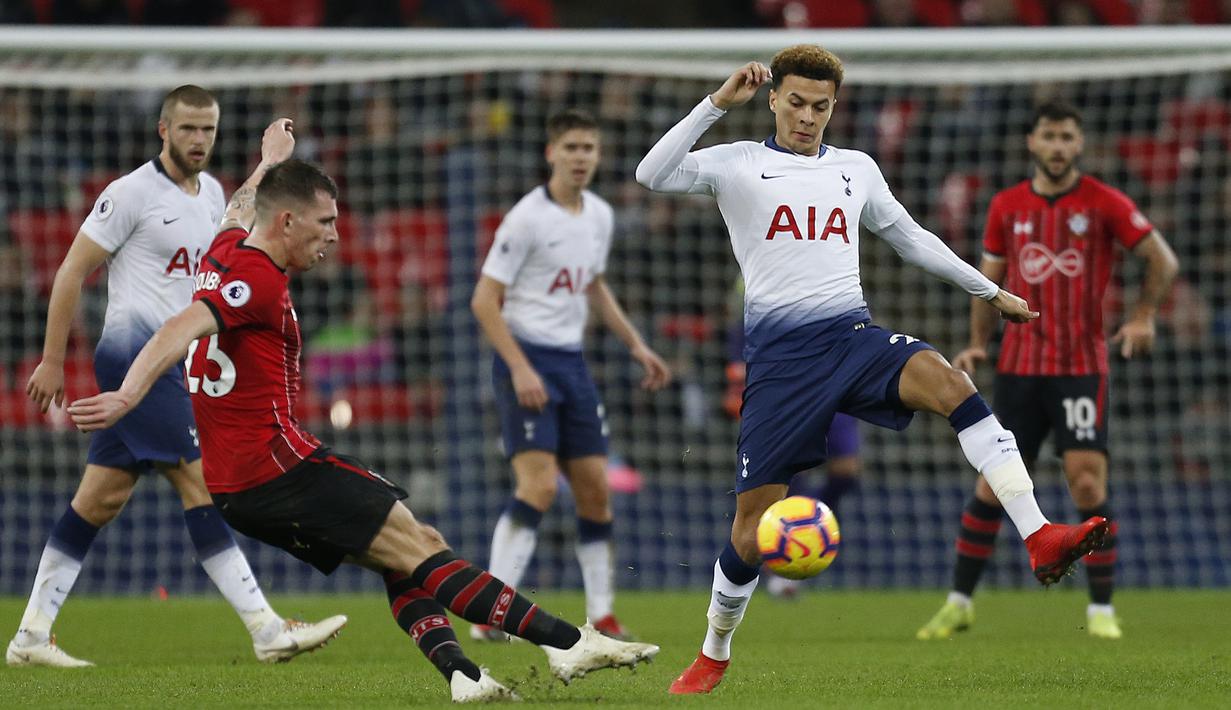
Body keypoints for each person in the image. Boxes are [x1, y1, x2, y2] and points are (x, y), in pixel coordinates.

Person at [66, 159, 660, 703]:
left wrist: (270, 159)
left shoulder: (223, 252)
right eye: (324, 222)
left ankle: (465, 676)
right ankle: (566, 643)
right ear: (290, 221)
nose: (334, 235)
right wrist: (128, 394)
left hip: (237, 486)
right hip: (278, 467)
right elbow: (178, 327)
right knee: (421, 549)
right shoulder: (259, 282)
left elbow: (239, 206)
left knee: (401, 550)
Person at [636, 45, 1110, 695]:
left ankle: (1038, 536)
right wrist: (716, 105)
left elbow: (909, 236)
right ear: (773, 97)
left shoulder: (854, 169)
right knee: (749, 532)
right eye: (795, 102)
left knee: (951, 383)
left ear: (835, 107)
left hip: (851, 336)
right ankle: (713, 651)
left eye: (820, 107)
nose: (806, 117)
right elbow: (650, 174)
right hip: (780, 363)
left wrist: (987, 291)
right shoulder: (738, 162)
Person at [9, 87, 345, 669]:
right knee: (201, 482)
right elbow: (70, 270)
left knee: (100, 499)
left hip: (177, 363)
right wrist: (52, 360)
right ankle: (265, 628)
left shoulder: (213, 192)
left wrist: (267, 162)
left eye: (208, 130)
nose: (198, 140)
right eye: (187, 129)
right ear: (163, 130)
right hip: (133, 358)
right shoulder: (130, 195)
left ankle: (31, 634)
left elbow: (240, 217)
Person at [916, 101, 1179, 642]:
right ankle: (959, 603)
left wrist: (1145, 316)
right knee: (992, 486)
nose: (1058, 146)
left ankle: (1103, 611)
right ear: (1032, 143)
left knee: (1086, 482)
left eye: (1067, 137)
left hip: (1081, 368)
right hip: (1018, 368)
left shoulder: (1103, 202)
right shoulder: (1007, 206)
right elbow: (984, 279)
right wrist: (975, 345)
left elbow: (1163, 260)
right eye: (1049, 136)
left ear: (1078, 145)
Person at [469, 109, 672, 642]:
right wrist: (518, 368)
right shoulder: (526, 219)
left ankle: (602, 613)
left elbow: (594, 285)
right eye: (572, 148)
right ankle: (493, 608)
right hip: (527, 358)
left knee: (595, 493)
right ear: (551, 153)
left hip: (573, 365)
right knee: (536, 488)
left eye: (589, 148)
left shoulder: (599, 215)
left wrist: (636, 346)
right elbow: (484, 302)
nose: (581, 157)